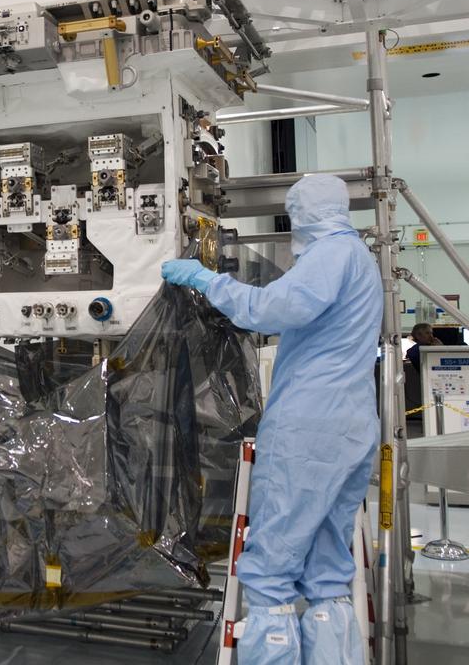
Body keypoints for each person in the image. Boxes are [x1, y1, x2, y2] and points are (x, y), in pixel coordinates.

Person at [161, 174, 381, 665]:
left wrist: (206, 280)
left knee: (272, 564)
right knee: (326, 565)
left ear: (304, 213)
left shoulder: (330, 255)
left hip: (311, 425)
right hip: (350, 423)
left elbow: (273, 308)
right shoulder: (359, 257)